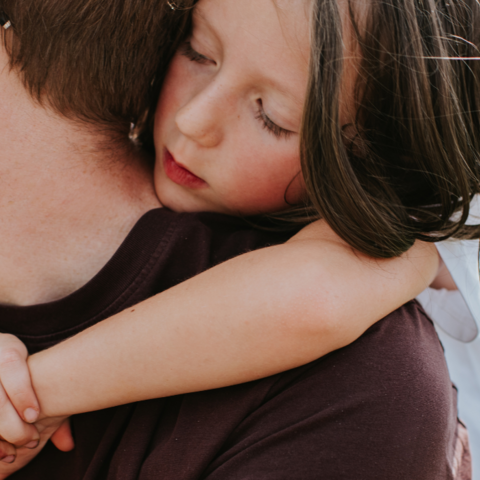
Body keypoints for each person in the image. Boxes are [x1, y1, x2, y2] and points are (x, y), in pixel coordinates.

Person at [0, 0, 476, 478]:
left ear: (373, 172)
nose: (192, 120)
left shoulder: (416, 246)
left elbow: (313, 301)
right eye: (198, 52)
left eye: (272, 116)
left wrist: (32, 392)